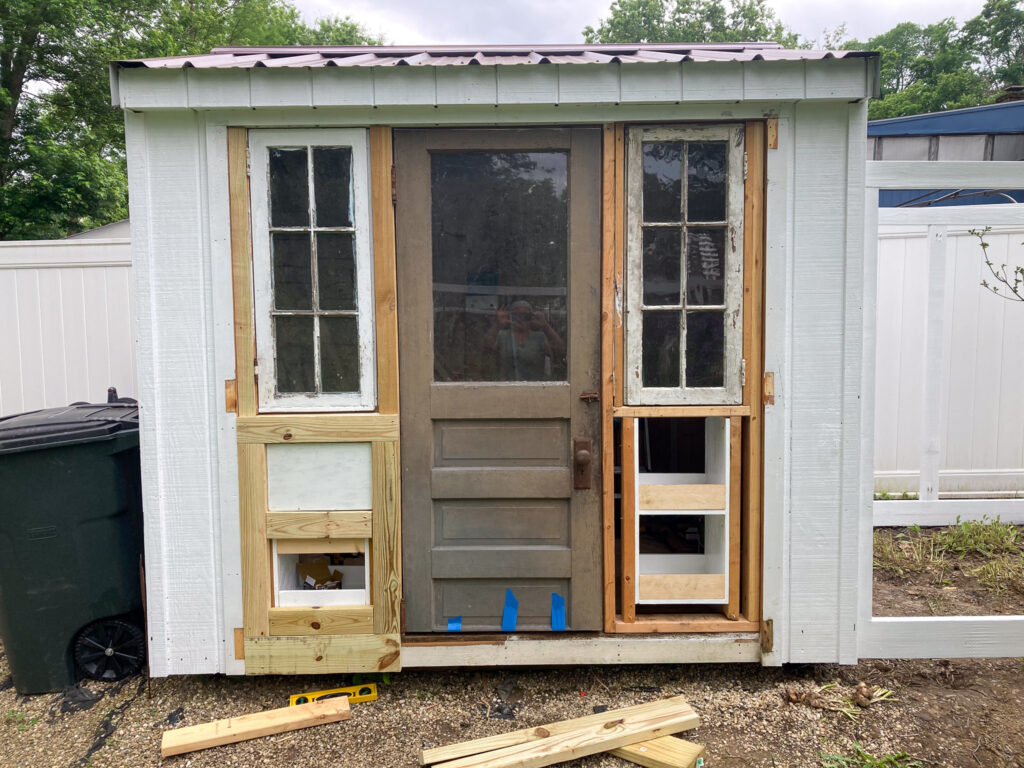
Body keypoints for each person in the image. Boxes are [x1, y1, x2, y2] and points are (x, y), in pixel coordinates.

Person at [482, 300, 565, 381]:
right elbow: (485, 351)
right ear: (511, 316)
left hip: (535, 388)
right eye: (516, 315)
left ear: (531, 317)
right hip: (506, 387)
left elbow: (560, 352)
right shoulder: (502, 335)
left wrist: (545, 326)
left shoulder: (539, 337)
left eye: (525, 316)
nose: (521, 319)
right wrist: (497, 325)